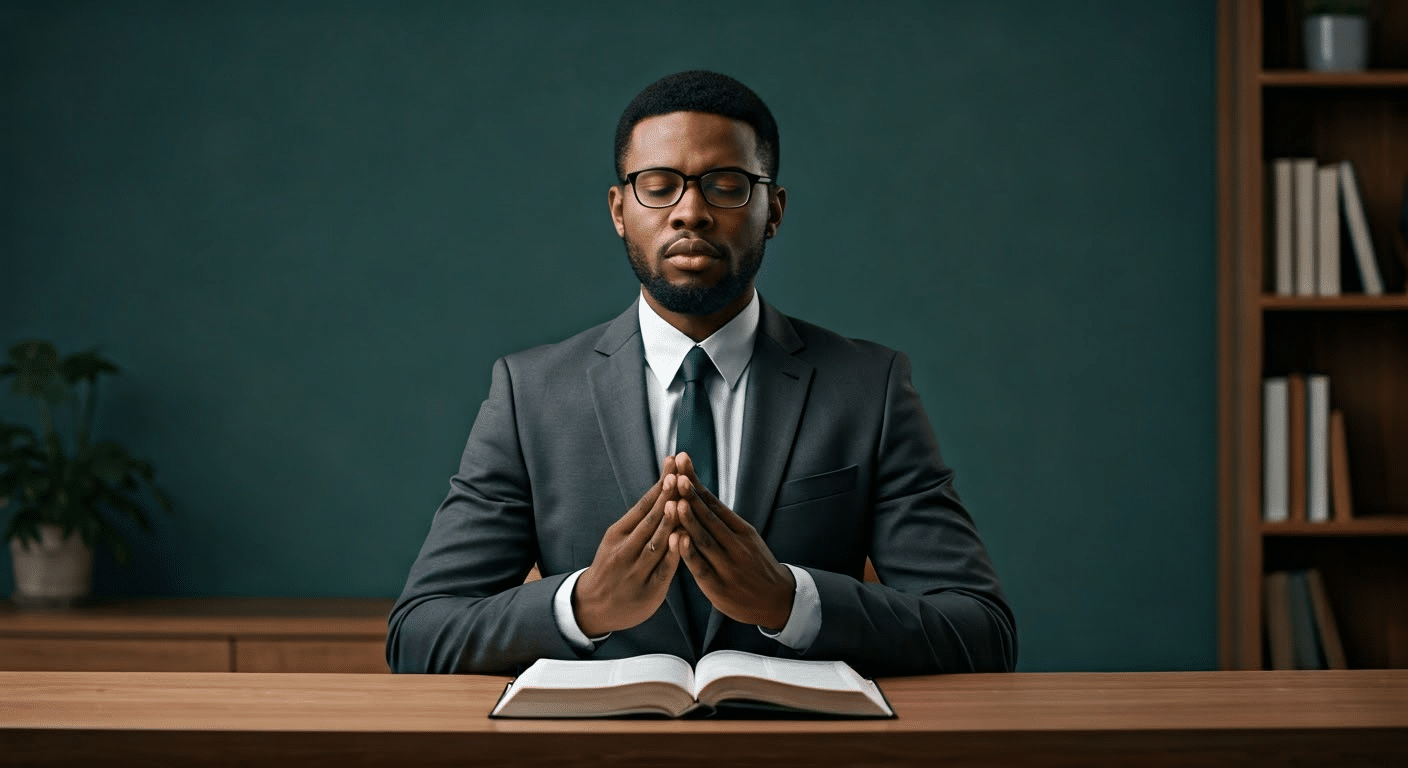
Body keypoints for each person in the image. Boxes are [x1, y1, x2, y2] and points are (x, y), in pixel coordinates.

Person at [386, 70, 1016, 677]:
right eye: (658, 185)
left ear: (774, 209)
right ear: (618, 210)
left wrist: (789, 601)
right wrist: (584, 606)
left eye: (726, 184)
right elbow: (420, 633)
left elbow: (980, 630)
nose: (690, 212)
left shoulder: (868, 387)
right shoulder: (530, 395)